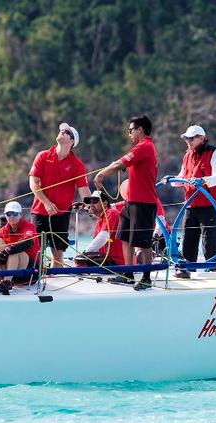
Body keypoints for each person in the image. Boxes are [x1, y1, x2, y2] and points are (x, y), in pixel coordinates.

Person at [93, 115, 158, 291]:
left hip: (143, 203)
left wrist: (101, 175)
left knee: (143, 242)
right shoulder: (139, 147)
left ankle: (146, 277)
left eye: (130, 130)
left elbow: (118, 163)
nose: (129, 134)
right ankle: (128, 274)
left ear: (140, 130)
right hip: (131, 202)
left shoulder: (145, 146)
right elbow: (123, 163)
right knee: (124, 237)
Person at [165, 125, 216, 279]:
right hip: (191, 205)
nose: (188, 141)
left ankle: (215, 272)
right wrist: (171, 179)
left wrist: (202, 180)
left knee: (209, 241)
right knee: (188, 240)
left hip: (209, 205)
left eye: (191, 138)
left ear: (201, 138)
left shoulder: (214, 152)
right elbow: (182, 176)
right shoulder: (187, 155)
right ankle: (187, 272)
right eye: (186, 139)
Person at [29, 122, 91, 268]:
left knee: (58, 252)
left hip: (62, 212)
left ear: (72, 141)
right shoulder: (42, 156)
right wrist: (46, 202)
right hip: (40, 211)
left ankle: (57, 278)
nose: (62, 132)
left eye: (67, 132)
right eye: (61, 130)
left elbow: (83, 190)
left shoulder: (77, 164)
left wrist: (93, 206)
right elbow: (33, 184)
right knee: (36, 250)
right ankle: (33, 279)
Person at [0, 201, 40, 295]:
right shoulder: (3, 230)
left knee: (15, 252)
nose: (11, 216)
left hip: (29, 272)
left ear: (20, 214)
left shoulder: (28, 227)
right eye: (8, 214)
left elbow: (28, 242)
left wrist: (7, 251)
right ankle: (6, 278)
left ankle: (7, 282)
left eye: (14, 213)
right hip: (9, 269)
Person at [75, 190, 125, 267]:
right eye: (90, 202)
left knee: (80, 261)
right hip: (107, 258)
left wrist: (85, 253)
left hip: (117, 261)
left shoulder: (111, 213)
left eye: (95, 201)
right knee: (79, 260)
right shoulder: (100, 220)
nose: (91, 204)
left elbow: (103, 237)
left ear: (105, 203)